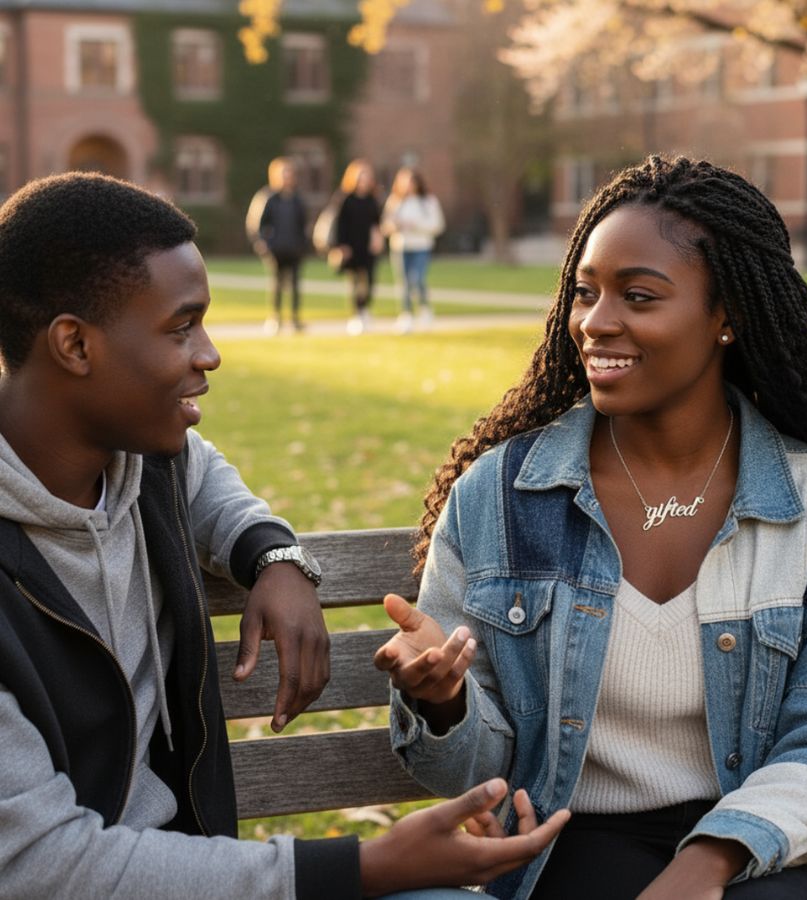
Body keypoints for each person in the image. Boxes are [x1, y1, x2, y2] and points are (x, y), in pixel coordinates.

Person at [0, 171, 571, 898]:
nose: (209, 354)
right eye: (181, 327)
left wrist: (277, 557)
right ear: (75, 345)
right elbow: (41, 868)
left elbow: (206, 479)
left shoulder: (139, 463)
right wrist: (365, 867)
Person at [375, 156, 807, 899]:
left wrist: (708, 859)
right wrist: (444, 702)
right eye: (585, 293)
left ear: (728, 317)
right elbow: (474, 774)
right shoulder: (501, 495)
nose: (595, 321)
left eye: (638, 296)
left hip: (766, 852)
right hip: (573, 845)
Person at [245, 157, 308, 334]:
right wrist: (262, 243)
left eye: (289, 173)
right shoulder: (268, 198)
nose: (287, 177)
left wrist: (303, 243)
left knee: (295, 285)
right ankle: (275, 318)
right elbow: (256, 223)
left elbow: (303, 223)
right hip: (276, 250)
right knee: (277, 284)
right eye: (283, 173)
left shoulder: (297, 199)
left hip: (294, 248)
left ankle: (295, 318)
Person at [381, 167, 445, 333]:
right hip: (401, 247)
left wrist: (415, 225)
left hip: (421, 247)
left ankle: (424, 309)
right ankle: (406, 314)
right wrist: (395, 225)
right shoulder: (395, 202)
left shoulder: (428, 202)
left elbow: (437, 225)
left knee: (418, 279)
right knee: (404, 282)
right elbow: (385, 226)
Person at [334, 159, 383, 335]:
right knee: (354, 283)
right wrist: (341, 246)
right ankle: (356, 315)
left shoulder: (372, 199)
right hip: (351, 247)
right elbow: (340, 224)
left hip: (368, 247)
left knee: (369, 282)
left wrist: (378, 238)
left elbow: (378, 222)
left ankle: (365, 310)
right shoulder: (346, 199)